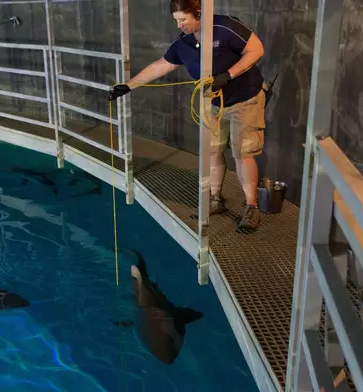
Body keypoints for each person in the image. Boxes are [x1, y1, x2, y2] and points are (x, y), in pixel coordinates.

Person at [108, 0, 266, 231]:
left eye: (183, 19)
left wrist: (228, 75)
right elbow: (161, 65)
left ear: (199, 13)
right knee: (212, 150)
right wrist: (129, 86)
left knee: (243, 152)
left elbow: (256, 49)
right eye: (176, 20)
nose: (179, 25)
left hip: (245, 98)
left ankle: (251, 206)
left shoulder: (225, 27)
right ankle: (215, 199)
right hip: (211, 102)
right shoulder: (183, 43)